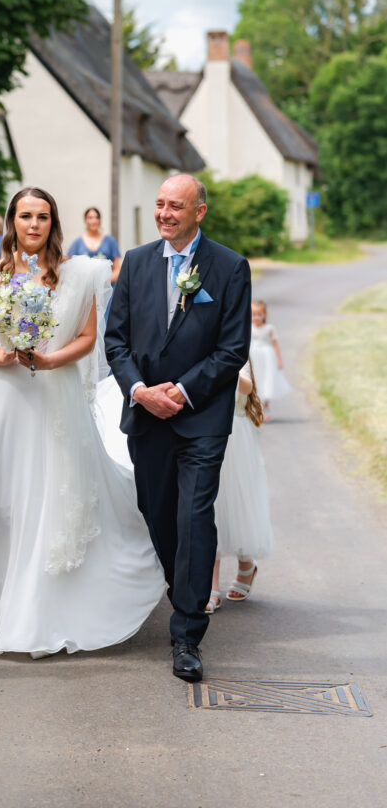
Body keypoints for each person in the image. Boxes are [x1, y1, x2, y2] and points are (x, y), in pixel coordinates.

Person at [0, 187, 164, 656]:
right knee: (2, 496)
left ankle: (43, 608)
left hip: (56, 395)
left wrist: (50, 361)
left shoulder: (78, 273)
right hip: (5, 398)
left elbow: (89, 337)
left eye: (43, 217)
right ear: (12, 221)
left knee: (49, 496)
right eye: (25, 216)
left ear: (53, 223)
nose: (34, 225)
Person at [105, 174, 251, 683]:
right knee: (157, 512)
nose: (166, 213)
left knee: (194, 516)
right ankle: (182, 588)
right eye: (161, 204)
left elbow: (232, 350)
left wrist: (183, 392)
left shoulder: (231, 267)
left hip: (202, 417)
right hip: (146, 412)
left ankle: (187, 632)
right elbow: (115, 340)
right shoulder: (137, 262)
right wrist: (141, 390)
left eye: (177, 206)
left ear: (200, 212)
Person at [205, 361, 274, 614]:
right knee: (211, 511)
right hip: (208, 434)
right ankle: (210, 584)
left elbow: (247, 384)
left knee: (238, 510)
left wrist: (222, 366)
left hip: (236, 441)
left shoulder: (236, 350)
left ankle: (246, 566)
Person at [249, 299, 291, 419]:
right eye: (253, 314)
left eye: (259, 314)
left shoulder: (269, 328)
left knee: (266, 380)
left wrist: (279, 360)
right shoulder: (249, 327)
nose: (256, 317)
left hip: (267, 357)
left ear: (264, 315)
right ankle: (254, 408)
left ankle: (265, 408)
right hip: (253, 356)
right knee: (255, 380)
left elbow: (275, 344)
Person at [68, 207, 121, 285]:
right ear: (85, 220)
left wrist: (103, 282)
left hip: (107, 289)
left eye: (97, 217)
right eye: (90, 218)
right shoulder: (77, 243)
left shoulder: (110, 241)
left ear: (100, 220)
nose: (94, 221)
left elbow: (117, 269)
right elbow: (70, 269)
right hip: (84, 290)